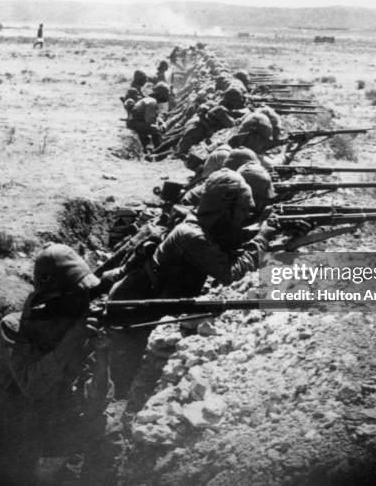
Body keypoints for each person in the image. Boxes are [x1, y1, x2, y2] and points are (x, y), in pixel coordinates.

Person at [102, 169, 275, 401]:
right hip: (130, 316)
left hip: (148, 308)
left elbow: (229, 244)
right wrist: (262, 238)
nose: (245, 216)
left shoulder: (200, 225)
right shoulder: (192, 235)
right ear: (224, 210)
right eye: (242, 210)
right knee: (118, 387)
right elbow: (230, 274)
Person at [0, 243, 113, 486]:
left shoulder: (80, 327)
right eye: (77, 295)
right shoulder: (15, 327)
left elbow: (98, 399)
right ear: (57, 297)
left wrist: (102, 357)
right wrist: (72, 339)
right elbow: (32, 386)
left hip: (53, 434)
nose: (84, 301)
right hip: (12, 437)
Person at [126, 82, 170, 152]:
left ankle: (148, 146)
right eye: (166, 93)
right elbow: (150, 120)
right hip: (134, 123)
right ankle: (158, 150)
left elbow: (155, 116)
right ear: (161, 94)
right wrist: (159, 127)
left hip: (136, 122)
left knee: (154, 128)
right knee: (155, 129)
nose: (167, 96)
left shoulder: (151, 100)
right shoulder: (152, 102)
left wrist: (161, 122)